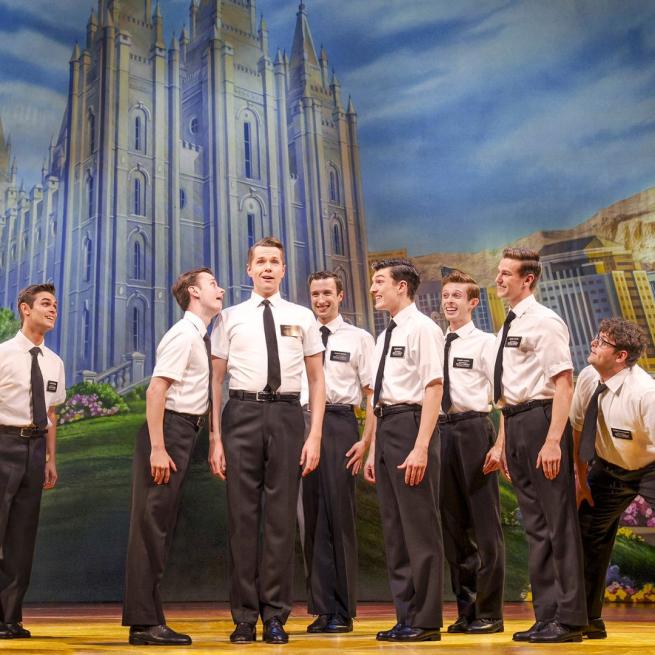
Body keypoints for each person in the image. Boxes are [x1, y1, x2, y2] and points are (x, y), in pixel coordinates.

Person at [209, 237, 325, 645]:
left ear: (284, 269)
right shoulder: (228, 318)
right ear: (249, 270)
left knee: (280, 522)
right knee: (242, 520)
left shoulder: (302, 316)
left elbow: (316, 379)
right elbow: (216, 379)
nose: (268, 268)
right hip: (241, 414)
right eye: (261, 262)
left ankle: (275, 615)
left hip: (289, 416)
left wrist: (314, 435)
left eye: (275, 261)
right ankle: (243, 617)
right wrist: (215, 438)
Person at [485, 247, 587, 643]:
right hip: (516, 424)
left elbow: (564, 382)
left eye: (507, 273)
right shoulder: (506, 326)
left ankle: (571, 618)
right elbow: (508, 393)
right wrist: (503, 441)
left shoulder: (545, 321)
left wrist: (552, 442)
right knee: (536, 527)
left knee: (558, 524)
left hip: (544, 423)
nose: (499, 278)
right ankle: (547, 615)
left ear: (527, 279)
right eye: (499, 271)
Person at [122, 268, 224, 646]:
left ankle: (147, 619)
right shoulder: (183, 336)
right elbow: (155, 391)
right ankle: (145, 624)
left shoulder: (197, 336)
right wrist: (159, 447)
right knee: (151, 529)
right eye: (213, 284)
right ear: (194, 293)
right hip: (169, 432)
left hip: (183, 432)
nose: (221, 289)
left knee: (158, 528)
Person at [363, 258, 444, 642]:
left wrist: (422, 446)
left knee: (419, 529)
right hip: (388, 428)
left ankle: (426, 620)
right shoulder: (383, 336)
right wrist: (373, 447)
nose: (374, 289)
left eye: (380, 282)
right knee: (395, 531)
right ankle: (405, 615)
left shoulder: (423, 329)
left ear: (402, 287)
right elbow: (379, 397)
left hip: (413, 426)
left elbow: (433, 388)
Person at [300, 271, 375, 634]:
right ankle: (321, 606)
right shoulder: (298, 334)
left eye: (327, 293)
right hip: (303, 425)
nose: (321, 300)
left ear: (340, 296)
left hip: (341, 424)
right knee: (311, 518)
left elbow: (373, 394)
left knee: (339, 517)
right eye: (315, 294)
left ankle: (343, 610)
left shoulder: (360, 338)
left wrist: (367, 440)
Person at [571, 318, 654, 640]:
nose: (593, 344)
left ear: (620, 356)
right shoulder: (590, 377)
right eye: (596, 337)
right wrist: (580, 479)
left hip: (649, 465)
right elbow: (579, 428)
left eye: (602, 341)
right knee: (587, 533)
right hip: (608, 465)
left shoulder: (645, 393)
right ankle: (588, 619)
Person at [438, 271, 504, 634]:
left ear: (473, 302)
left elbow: (504, 398)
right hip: (442, 433)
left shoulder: (485, 343)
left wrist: (499, 444)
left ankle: (490, 613)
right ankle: (466, 610)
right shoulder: (436, 341)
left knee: (485, 527)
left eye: (457, 296)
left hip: (475, 430)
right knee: (454, 529)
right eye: (446, 295)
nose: (449, 301)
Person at [0, 283, 65, 640]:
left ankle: (9, 617)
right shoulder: (3, 354)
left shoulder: (55, 362)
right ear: (25, 309)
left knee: (21, 537)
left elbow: (52, 412)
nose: (53, 310)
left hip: (35, 449)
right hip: (3, 443)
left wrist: (51, 458)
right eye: (45, 304)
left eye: (55, 305)